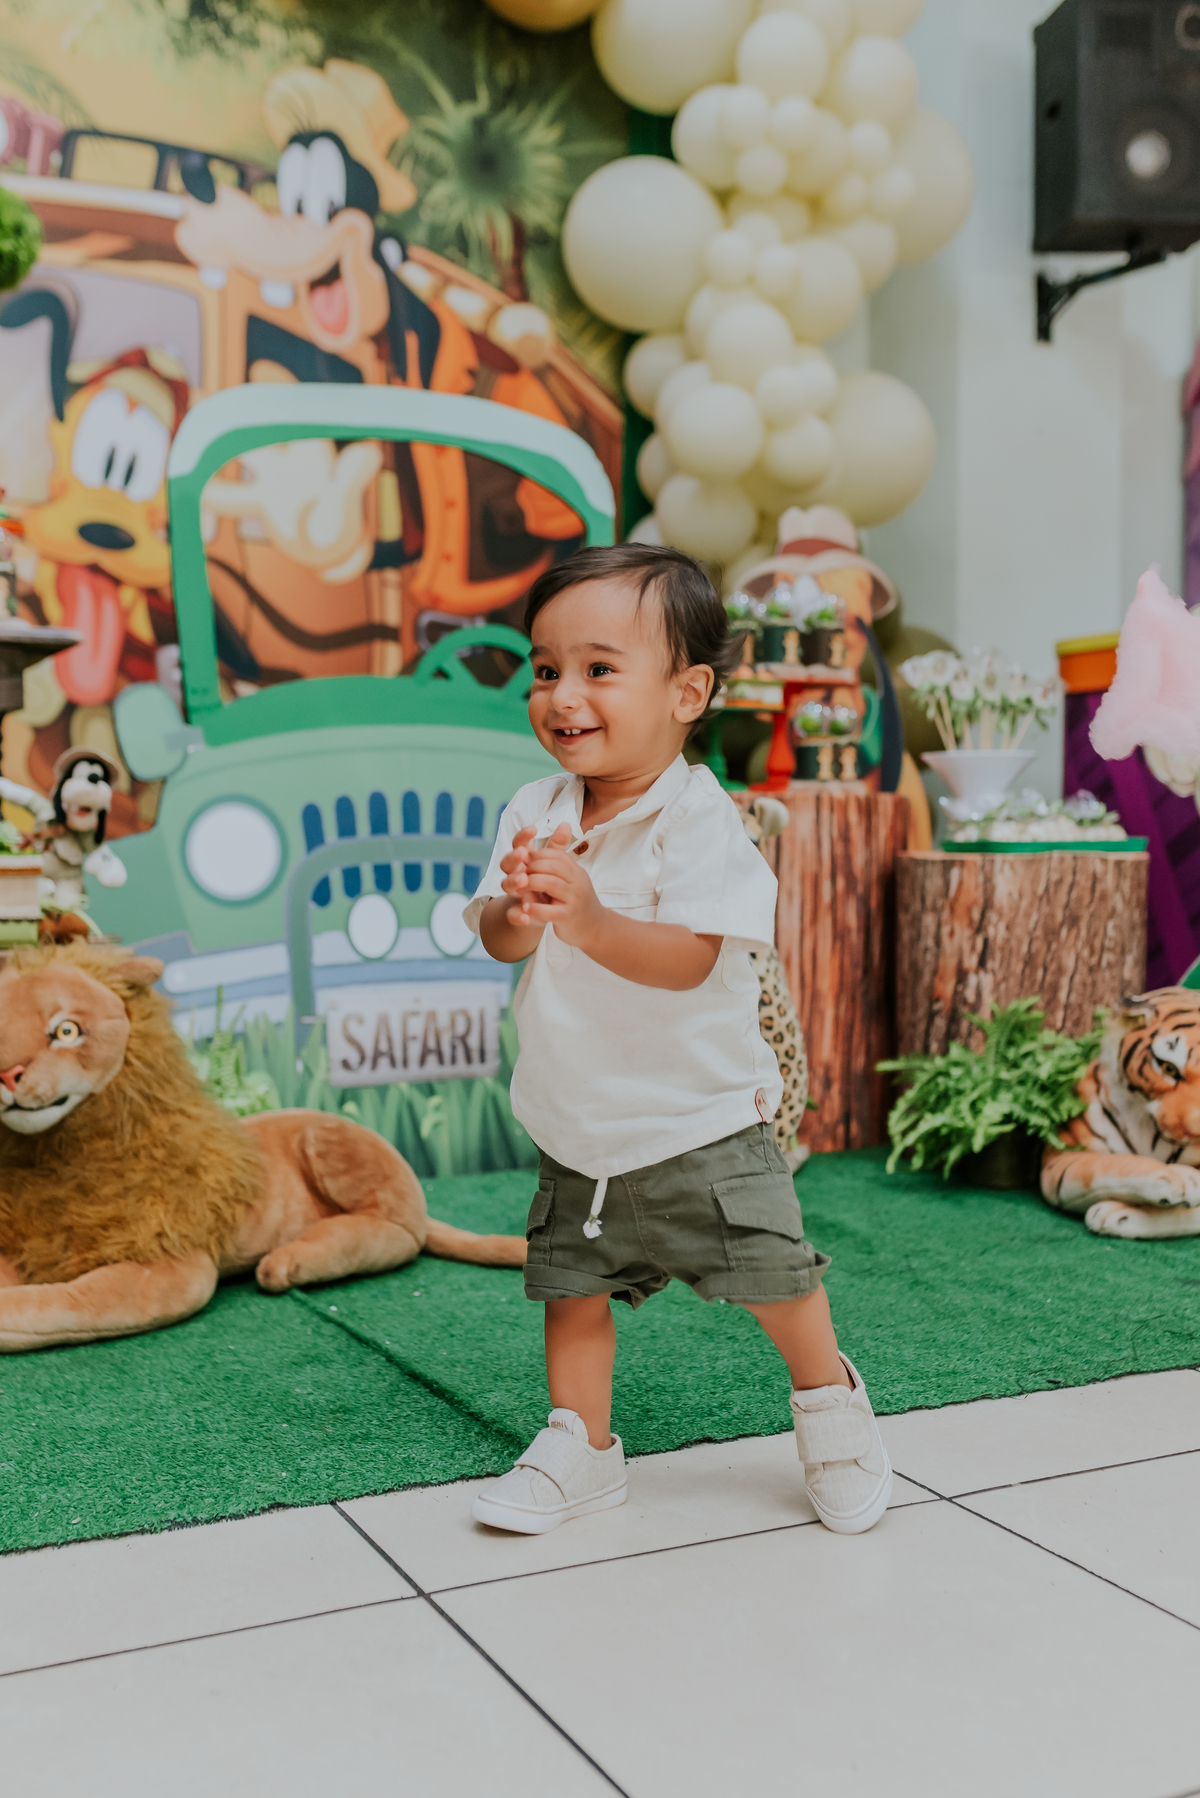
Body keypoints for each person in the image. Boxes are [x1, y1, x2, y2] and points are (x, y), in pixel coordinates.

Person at [464, 543, 891, 1537]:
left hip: (701, 1121)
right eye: (545, 669)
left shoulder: (700, 817)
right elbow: (494, 933)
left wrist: (591, 916)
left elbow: (691, 958)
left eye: (599, 669)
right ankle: (583, 1441)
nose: (563, 694)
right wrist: (523, 912)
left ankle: (827, 1397)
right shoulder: (535, 810)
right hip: (582, 1123)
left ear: (688, 690)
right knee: (573, 1293)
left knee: (777, 1282)